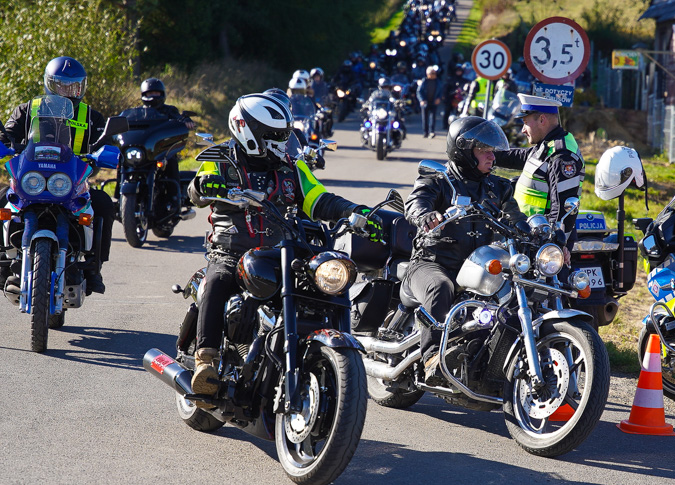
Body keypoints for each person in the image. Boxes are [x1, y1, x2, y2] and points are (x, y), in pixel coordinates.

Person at [187, 93, 381, 397]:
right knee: (218, 280)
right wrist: (205, 186)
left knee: (318, 287)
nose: (283, 140)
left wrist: (355, 210)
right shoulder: (222, 158)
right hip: (230, 249)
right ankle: (205, 359)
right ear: (249, 131)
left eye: (285, 134)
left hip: (280, 251)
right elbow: (197, 190)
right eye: (275, 135)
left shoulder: (290, 166)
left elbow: (318, 197)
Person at [404, 116, 525, 379]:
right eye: (484, 151)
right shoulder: (437, 180)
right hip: (432, 263)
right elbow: (416, 202)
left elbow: (517, 220)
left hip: (475, 268)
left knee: (505, 297)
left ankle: (486, 365)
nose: (492, 157)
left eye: (493, 151)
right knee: (440, 287)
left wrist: (538, 236)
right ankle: (432, 357)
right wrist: (426, 216)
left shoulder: (498, 187)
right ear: (464, 151)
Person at [0, 56, 113, 294]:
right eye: (62, 84)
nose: (69, 90)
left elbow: (107, 142)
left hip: (71, 182)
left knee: (103, 203)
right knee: (2, 199)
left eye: (75, 85)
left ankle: (94, 268)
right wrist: (4, 144)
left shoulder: (92, 117)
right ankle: (4, 265)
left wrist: (106, 153)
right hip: (31, 179)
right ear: (50, 84)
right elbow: (8, 134)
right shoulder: (28, 109)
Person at [494, 94, 585, 245]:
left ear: (542, 120)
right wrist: (487, 154)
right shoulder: (547, 145)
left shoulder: (563, 156)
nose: (523, 130)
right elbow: (520, 156)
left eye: (525, 123)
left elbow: (563, 209)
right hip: (531, 233)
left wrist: (556, 245)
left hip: (545, 240)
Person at [136, 77, 195, 188]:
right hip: (143, 151)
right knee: (123, 162)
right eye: (150, 93)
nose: (153, 96)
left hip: (162, 151)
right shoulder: (137, 113)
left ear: (162, 94)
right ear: (144, 95)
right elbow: (124, 122)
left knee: (171, 161)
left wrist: (186, 120)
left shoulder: (169, 110)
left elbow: (179, 118)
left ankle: (174, 198)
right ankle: (118, 195)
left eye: (156, 93)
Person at [416, 65, 442, 138]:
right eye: (432, 73)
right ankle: (425, 132)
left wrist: (439, 98)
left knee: (433, 118)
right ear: (428, 74)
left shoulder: (438, 82)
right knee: (425, 118)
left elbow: (440, 91)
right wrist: (421, 100)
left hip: (433, 102)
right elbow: (419, 92)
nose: (434, 75)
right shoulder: (424, 82)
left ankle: (432, 131)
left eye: (435, 73)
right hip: (425, 102)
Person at [442, 64, 465, 129]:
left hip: (461, 99)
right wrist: (446, 96)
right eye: (457, 71)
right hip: (451, 98)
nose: (458, 72)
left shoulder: (464, 80)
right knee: (447, 110)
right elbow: (446, 90)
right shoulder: (450, 80)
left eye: (460, 71)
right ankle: (445, 125)